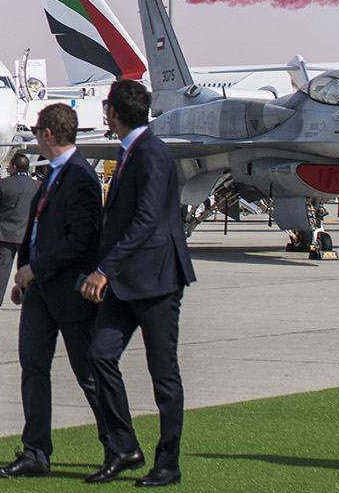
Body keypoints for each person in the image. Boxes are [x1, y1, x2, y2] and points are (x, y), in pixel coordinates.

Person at [80, 79, 196, 488]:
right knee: (100, 355)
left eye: (107, 109)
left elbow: (147, 220)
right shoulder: (131, 151)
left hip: (156, 281)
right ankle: (124, 446)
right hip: (125, 282)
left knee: (163, 375)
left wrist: (104, 270)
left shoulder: (151, 152)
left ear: (113, 113)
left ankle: (168, 463)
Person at [0, 104, 105, 479]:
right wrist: (24, 276)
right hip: (39, 290)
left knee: (88, 375)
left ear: (48, 134)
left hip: (69, 292)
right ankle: (36, 451)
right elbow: (36, 231)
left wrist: (35, 269)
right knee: (33, 368)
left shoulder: (81, 177)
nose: (34, 137)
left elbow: (81, 238)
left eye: (36, 131)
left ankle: (119, 445)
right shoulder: (51, 173)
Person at [0, 152, 39, 313]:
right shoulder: (37, 186)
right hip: (26, 234)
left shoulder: (3, 184)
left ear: (14, 167)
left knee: (2, 267)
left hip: (5, 234)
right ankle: (29, 300)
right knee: (26, 268)